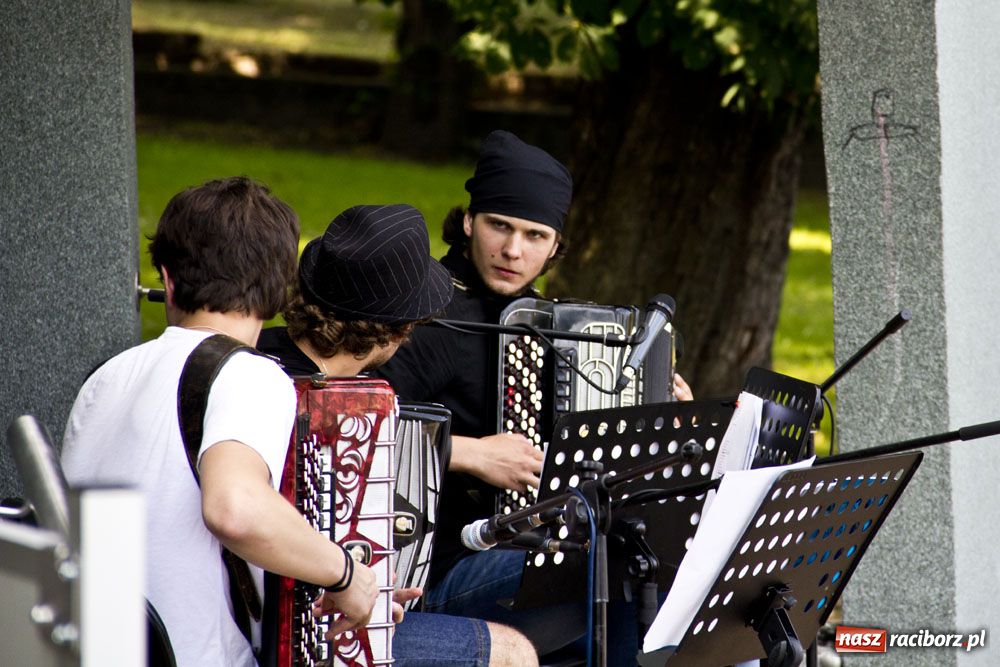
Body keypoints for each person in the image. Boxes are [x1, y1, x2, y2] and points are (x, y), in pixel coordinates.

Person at [373, 131, 694, 662]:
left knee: (654, 556)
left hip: (529, 543)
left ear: (555, 246)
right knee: (617, 566)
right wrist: (470, 453)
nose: (513, 250)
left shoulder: (548, 325)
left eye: (535, 235)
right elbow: (355, 426)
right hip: (436, 569)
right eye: (499, 225)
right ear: (469, 222)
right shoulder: (426, 314)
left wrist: (663, 418)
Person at [61, 177, 380, 666]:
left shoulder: (106, 377)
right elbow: (235, 510)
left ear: (167, 279)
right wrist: (345, 574)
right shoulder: (249, 375)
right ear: (280, 288)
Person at [257, 203, 539, 667]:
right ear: (401, 331)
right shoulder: (345, 405)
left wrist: (371, 586)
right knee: (514, 653)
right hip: (302, 633)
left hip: (300, 605)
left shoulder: (254, 359)